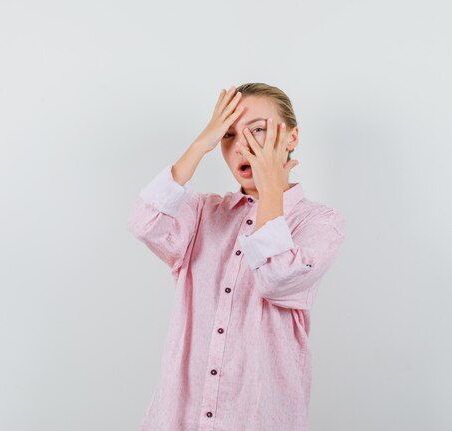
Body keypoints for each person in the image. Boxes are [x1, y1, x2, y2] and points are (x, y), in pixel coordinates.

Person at [126, 83, 346, 431]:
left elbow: (276, 278)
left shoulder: (319, 222)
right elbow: (144, 222)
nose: (242, 145)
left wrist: (272, 186)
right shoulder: (202, 213)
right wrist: (201, 144)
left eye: (258, 130)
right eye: (227, 135)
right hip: (181, 417)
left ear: (292, 137)